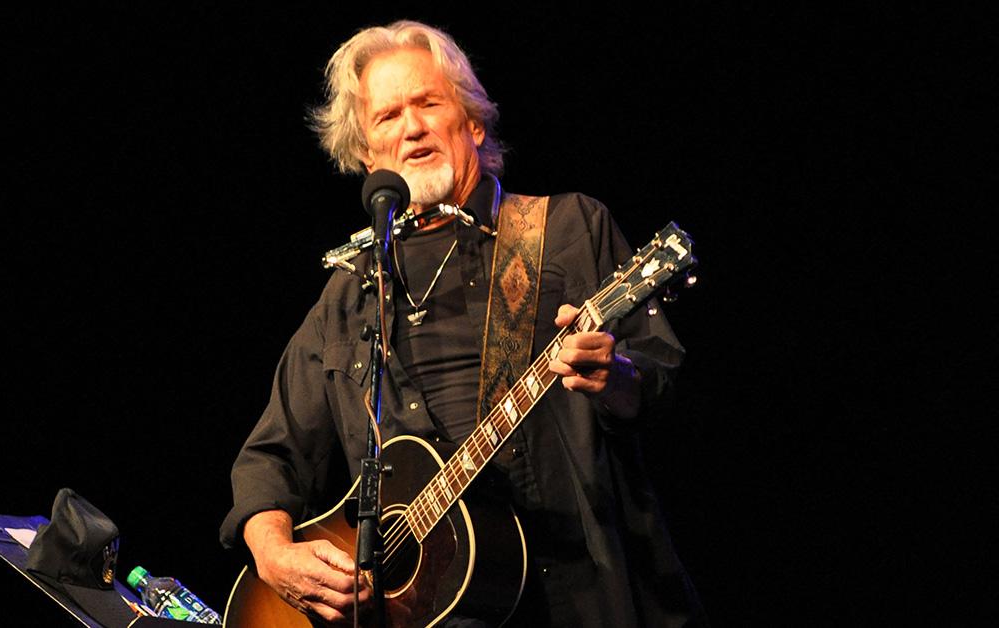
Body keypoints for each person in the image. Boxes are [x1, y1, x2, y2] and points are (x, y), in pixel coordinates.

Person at [220, 20, 706, 627]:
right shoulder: (349, 294)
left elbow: (659, 381)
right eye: (388, 117)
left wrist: (616, 378)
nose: (413, 128)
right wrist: (273, 552)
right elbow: (271, 457)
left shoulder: (566, 231)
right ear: (368, 156)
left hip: (576, 594)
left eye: (428, 103)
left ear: (472, 121)